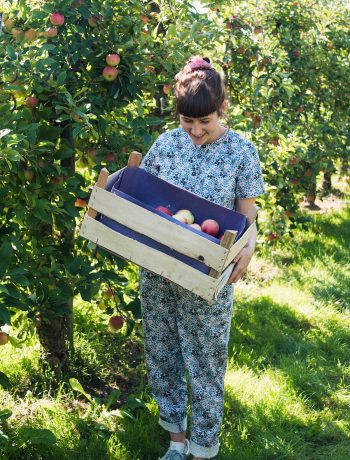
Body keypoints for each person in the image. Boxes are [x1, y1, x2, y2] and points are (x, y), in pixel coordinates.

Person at [139, 56, 265, 460]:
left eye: (205, 123)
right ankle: (176, 441)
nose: (194, 132)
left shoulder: (241, 150)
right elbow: (144, 200)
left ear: (222, 110)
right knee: (162, 350)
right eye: (186, 122)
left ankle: (204, 446)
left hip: (210, 270)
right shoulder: (165, 144)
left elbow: (249, 215)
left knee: (207, 358)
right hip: (159, 267)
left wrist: (250, 243)